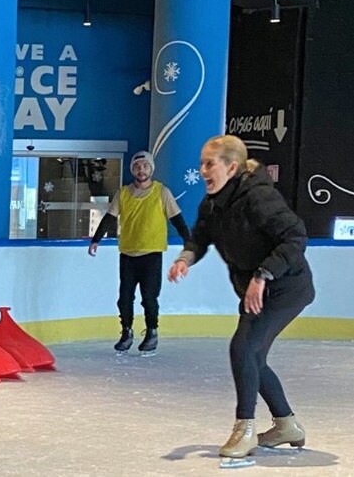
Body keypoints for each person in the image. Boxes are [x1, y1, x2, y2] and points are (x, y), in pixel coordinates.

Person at [168, 135, 314, 466]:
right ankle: (287, 424)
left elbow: (295, 236)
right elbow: (200, 237)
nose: (203, 170)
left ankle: (244, 428)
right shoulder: (212, 202)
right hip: (257, 288)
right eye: (201, 163)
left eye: (210, 164)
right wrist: (185, 258)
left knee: (243, 349)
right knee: (253, 357)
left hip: (285, 286)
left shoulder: (258, 197)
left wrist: (263, 275)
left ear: (232, 167)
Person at [88, 150, 190, 355]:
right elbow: (109, 217)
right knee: (124, 297)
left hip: (151, 253)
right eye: (136, 167)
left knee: (149, 297)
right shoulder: (123, 193)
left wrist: (189, 243)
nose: (141, 170)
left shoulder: (162, 192)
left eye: (144, 166)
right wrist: (96, 239)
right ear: (132, 170)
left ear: (151, 168)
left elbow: (177, 218)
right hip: (128, 254)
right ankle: (126, 332)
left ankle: (152, 331)